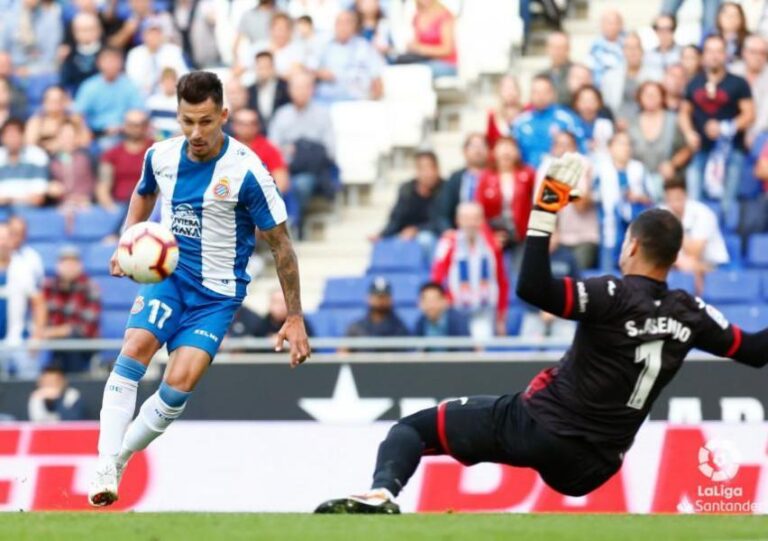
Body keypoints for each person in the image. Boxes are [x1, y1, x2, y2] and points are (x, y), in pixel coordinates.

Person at [315, 153, 768, 516]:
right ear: (672, 258)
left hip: (540, 427)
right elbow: (754, 350)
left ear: (631, 245)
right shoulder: (690, 312)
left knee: (413, 428)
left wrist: (545, 208)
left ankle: (382, 492)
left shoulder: (611, 293)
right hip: (597, 466)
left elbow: (532, 287)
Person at [88, 71, 310, 507]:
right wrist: (127, 240)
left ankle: (121, 457)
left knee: (178, 384)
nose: (196, 132)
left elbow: (281, 244)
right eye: (187, 121)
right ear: (177, 116)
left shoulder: (247, 171)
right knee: (135, 347)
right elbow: (144, 193)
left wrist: (295, 315)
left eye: (205, 121)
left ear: (223, 115)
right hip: (168, 278)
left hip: (217, 295)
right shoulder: (160, 155)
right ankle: (104, 463)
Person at [679, 35, 754, 213]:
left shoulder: (738, 83)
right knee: (694, 201)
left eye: (719, 51)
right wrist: (689, 133)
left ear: (725, 54)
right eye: (710, 51)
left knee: (728, 204)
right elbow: (684, 113)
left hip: (731, 150)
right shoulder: (694, 82)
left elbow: (749, 114)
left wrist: (725, 128)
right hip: (702, 149)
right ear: (703, 55)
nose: (714, 56)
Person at [269, 69, 336, 230]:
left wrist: (300, 151)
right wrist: (290, 152)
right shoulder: (282, 114)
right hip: (284, 168)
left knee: (300, 184)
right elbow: (273, 148)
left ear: (312, 89)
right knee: (272, 182)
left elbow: (330, 150)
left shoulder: (322, 114)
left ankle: (294, 224)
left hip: (312, 171)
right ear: (289, 90)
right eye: (296, 87)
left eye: (305, 87)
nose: (300, 91)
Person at [431, 202, 508, 339]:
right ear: (458, 220)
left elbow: (501, 279)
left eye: (475, 218)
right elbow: (437, 277)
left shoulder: (492, 244)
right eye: (466, 218)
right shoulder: (448, 242)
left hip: (484, 309)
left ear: (482, 220)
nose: (471, 223)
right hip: (456, 309)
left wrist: (501, 315)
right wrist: (444, 301)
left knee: (482, 346)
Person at [537, 131, 599, 271]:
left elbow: (581, 206)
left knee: (578, 280)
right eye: (560, 145)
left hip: (584, 238)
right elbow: (542, 208)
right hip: (557, 239)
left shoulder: (586, 166)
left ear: (575, 149)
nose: (564, 150)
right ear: (553, 149)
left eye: (568, 145)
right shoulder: (545, 168)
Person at [593, 132, 655, 271]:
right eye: (621, 144)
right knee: (608, 275)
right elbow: (593, 196)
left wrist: (638, 197)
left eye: (628, 144)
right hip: (609, 229)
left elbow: (653, 199)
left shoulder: (639, 169)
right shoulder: (601, 169)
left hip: (636, 233)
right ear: (610, 148)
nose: (625, 148)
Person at [40, 245, 101, 374]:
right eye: (65, 262)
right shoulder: (48, 287)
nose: (69, 267)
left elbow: (85, 328)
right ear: (58, 265)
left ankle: (73, 381)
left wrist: (58, 331)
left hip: (83, 345)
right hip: (53, 343)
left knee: (72, 340)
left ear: (80, 266)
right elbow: (39, 317)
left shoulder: (90, 287)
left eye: (73, 262)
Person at [662, 178, 729, 294]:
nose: (674, 204)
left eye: (677, 199)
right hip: (678, 263)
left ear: (686, 195)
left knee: (686, 264)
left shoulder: (703, 213)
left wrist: (675, 224)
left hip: (712, 266)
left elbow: (695, 252)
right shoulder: (661, 212)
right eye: (670, 200)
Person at [74, 47, 144, 151]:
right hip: (96, 135)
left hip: (125, 134)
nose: (111, 65)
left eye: (114, 61)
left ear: (121, 63)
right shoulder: (89, 86)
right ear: (99, 63)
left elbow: (139, 112)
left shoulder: (130, 85)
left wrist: (124, 126)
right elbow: (77, 114)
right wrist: (84, 131)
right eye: (107, 61)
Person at [0, 222, 45, 379]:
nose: (2, 243)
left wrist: (37, 336)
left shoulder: (23, 267)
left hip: (18, 340)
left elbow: (38, 303)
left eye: (5, 238)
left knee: (29, 379)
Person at [475, 136, 535, 252]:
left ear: (517, 152)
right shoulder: (485, 177)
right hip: (494, 234)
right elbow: (479, 210)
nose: (506, 152)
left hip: (523, 236)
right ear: (494, 152)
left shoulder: (528, 174)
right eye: (502, 147)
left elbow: (537, 203)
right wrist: (490, 236)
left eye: (510, 147)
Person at [378, 151, 443, 257]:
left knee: (425, 239)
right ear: (416, 171)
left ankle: (434, 268)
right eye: (422, 168)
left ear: (437, 169)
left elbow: (441, 221)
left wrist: (417, 230)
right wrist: (383, 235)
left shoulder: (445, 189)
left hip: (434, 235)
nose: (427, 173)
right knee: (392, 243)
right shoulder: (406, 190)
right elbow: (396, 217)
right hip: (407, 235)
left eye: (430, 168)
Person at [628, 81, 690, 189]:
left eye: (654, 94)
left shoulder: (673, 121)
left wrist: (672, 164)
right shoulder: (632, 123)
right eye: (647, 94)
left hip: (668, 182)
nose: (650, 97)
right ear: (640, 98)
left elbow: (687, 149)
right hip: (639, 183)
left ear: (662, 97)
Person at [512, 75, 582, 169]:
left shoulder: (567, 119)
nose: (540, 96)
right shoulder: (520, 122)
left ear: (553, 94)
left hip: (559, 174)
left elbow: (581, 149)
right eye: (536, 92)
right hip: (528, 175)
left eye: (545, 92)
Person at [315, 10, 385, 102]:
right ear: (335, 25)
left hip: (356, 101)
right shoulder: (323, 45)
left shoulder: (364, 47)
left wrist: (374, 101)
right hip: (326, 100)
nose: (343, 27)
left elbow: (376, 77)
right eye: (340, 23)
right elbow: (309, 69)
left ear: (354, 26)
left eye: (347, 23)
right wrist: (319, 73)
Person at [96, 110, 153, 211]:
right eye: (131, 125)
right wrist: (112, 209)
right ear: (125, 126)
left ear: (146, 126)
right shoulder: (112, 153)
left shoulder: (156, 150)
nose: (135, 129)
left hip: (150, 206)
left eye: (140, 124)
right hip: (119, 206)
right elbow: (103, 187)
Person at [600, 33, 662, 124]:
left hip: (647, 124)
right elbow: (606, 105)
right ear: (623, 51)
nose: (632, 52)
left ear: (642, 51)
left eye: (636, 47)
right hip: (617, 124)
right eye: (628, 48)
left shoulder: (656, 76)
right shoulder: (609, 76)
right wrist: (615, 122)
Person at [125, 16, 189, 97]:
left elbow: (184, 76)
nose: (154, 36)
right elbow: (132, 82)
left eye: (157, 33)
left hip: (170, 97)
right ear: (142, 36)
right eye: (150, 33)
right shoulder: (134, 54)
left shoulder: (173, 51)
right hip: (143, 98)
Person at [437, 132, 489, 232]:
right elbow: (443, 211)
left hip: (487, 232)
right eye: (473, 146)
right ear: (464, 151)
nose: (478, 150)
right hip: (459, 231)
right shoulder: (455, 178)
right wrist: (448, 230)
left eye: (482, 145)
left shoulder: (494, 177)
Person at [231, 108, 290, 193]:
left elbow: (281, 180)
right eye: (241, 123)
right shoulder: (226, 146)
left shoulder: (269, 148)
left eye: (251, 123)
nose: (246, 127)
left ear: (257, 126)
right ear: (234, 126)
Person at [0, 0, 62, 76]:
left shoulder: (50, 20)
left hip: (40, 72)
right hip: (12, 70)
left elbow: (50, 57)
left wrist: (30, 70)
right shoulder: (9, 18)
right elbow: (3, 49)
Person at [24, 86, 92, 155]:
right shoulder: (36, 122)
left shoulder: (74, 119)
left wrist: (63, 144)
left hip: (72, 156)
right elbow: (30, 145)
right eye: (50, 100)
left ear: (65, 101)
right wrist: (53, 145)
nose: (54, 104)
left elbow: (86, 142)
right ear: (44, 102)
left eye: (58, 100)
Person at [0, 118, 51, 207]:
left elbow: (38, 198)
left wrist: (9, 200)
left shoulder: (37, 156)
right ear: (2, 138)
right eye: (9, 136)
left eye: (15, 135)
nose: (12, 139)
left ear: (23, 136)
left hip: (30, 211)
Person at [401, 0, 456, 78]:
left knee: (414, 72)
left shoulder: (445, 15)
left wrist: (421, 49)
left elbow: (447, 50)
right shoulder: (417, 16)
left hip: (445, 63)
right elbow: (417, 43)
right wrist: (412, 47)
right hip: (425, 61)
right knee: (401, 66)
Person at [49, 120, 97, 210]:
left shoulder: (88, 156)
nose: (67, 140)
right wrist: (51, 188)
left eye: (70, 136)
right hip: (61, 206)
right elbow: (49, 185)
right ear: (58, 137)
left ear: (76, 137)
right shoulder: (52, 160)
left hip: (87, 205)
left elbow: (99, 182)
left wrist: (90, 197)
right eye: (63, 136)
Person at [730, 35, 768, 146]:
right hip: (731, 129)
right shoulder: (732, 71)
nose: (758, 57)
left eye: (762, 53)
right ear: (744, 52)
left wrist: (754, 133)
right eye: (753, 52)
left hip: (761, 132)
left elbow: (765, 113)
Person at [229, 289, 314, 338]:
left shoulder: (300, 323)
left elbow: (311, 347)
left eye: (284, 302)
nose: (280, 307)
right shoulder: (260, 324)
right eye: (276, 302)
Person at [344, 277, 410, 340]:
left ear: (390, 299)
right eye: (377, 296)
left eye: (384, 296)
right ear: (368, 298)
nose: (381, 301)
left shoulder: (399, 328)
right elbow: (345, 346)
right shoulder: (357, 328)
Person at [60, 12, 103, 94]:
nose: (86, 33)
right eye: (82, 30)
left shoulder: (106, 52)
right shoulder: (69, 54)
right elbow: (65, 82)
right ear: (74, 32)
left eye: (90, 29)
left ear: (99, 30)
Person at [247, 51, 290, 130]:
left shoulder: (285, 88)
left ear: (273, 67)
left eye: (266, 67)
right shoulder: (250, 91)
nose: (263, 71)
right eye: (260, 67)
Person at [231, 0, 277, 72]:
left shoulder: (280, 14)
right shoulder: (248, 15)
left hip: (276, 61)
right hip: (254, 62)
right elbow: (236, 44)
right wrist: (236, 62)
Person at [571, 85, 613, 154]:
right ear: (576, 103)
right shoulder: (570, 123)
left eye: (591, 100)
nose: (587, 105)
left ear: (599, 103)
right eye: (584, 101)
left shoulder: (605, 125)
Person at [485, 75, 523, 150]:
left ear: (518, 91)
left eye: (512, 88)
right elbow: (490, 142)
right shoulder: (493, 115)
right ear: (500, 92)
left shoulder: (527, 112)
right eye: (506, 89)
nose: (510, 92)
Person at [587, 9, 624, 86]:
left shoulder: (628, 44)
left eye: (615, 23)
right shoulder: (594, 48)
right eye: (608, 23)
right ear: (601, 25)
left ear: (621, 25)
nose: (612, 26)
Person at [8, 215, 44, 286]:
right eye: (12, 233)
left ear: (25, 235)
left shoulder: (33, 256)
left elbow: (39, 282)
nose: (14, 237)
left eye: (18, 234)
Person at [146, 68, 181, 139]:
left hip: (176, 138)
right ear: (161, 82)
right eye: (166, 81)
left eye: (171, 81)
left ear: (176, 82)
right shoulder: (152, 101)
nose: (169, 84)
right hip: (156, 137)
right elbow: (148, 124)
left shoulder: (181, 102)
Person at [539, 32, 573, 105]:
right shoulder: (541, 76)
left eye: (561, 48)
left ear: (568, 49)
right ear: (547, 49)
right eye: (554, 47)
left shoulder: (577, 73)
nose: (557, 51)